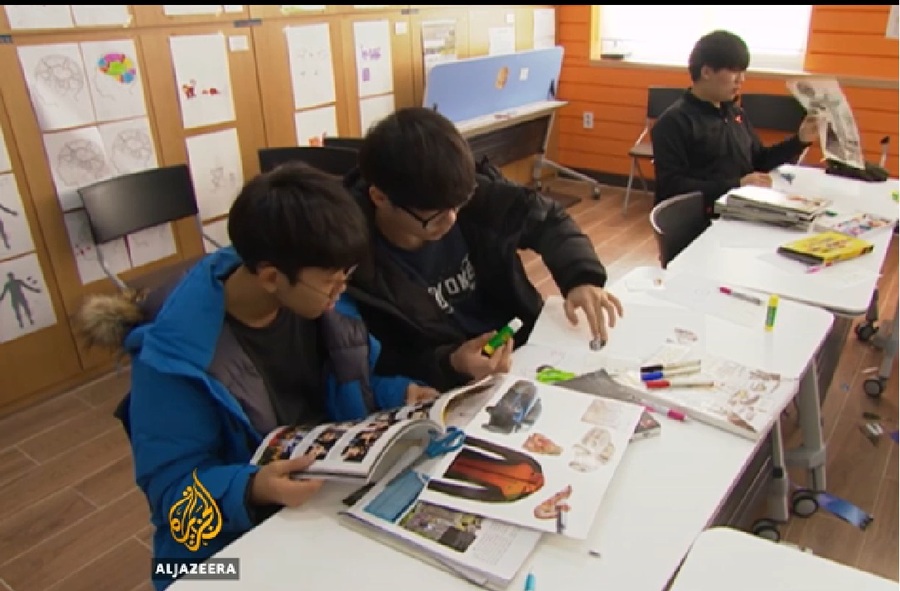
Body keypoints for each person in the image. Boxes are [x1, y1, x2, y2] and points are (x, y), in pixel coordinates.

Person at [74, 162, 438, 591]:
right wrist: (253, 488)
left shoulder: (319, 298)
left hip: (320, 504)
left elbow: (354, 382)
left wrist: (399, 392)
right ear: (269, 277)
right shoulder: (174, 359)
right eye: (332, 282)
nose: (342, 290)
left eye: (347, 277)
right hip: (214, 555)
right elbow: (172, 497)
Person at [344, 107, 623, 392]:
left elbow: (547, 219)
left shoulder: (469, 192)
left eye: (457, 207)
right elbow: (386, 362)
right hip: (452, 386)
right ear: (380, 198)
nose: (451, 220)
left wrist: (580, 277)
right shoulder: (352, 261)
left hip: (528, 348)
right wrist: (452, 363)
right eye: (435, 216)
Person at [650, 30, 819, 212]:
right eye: (734, 71)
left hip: (742, 209)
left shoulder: (735, 113)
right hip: (702, 218)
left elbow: (759, 160)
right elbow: (671, 187)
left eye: (743, 72)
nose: (741, 80)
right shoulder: (673, 122)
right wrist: (737, 185)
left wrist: (800, 140)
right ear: (706, 72)